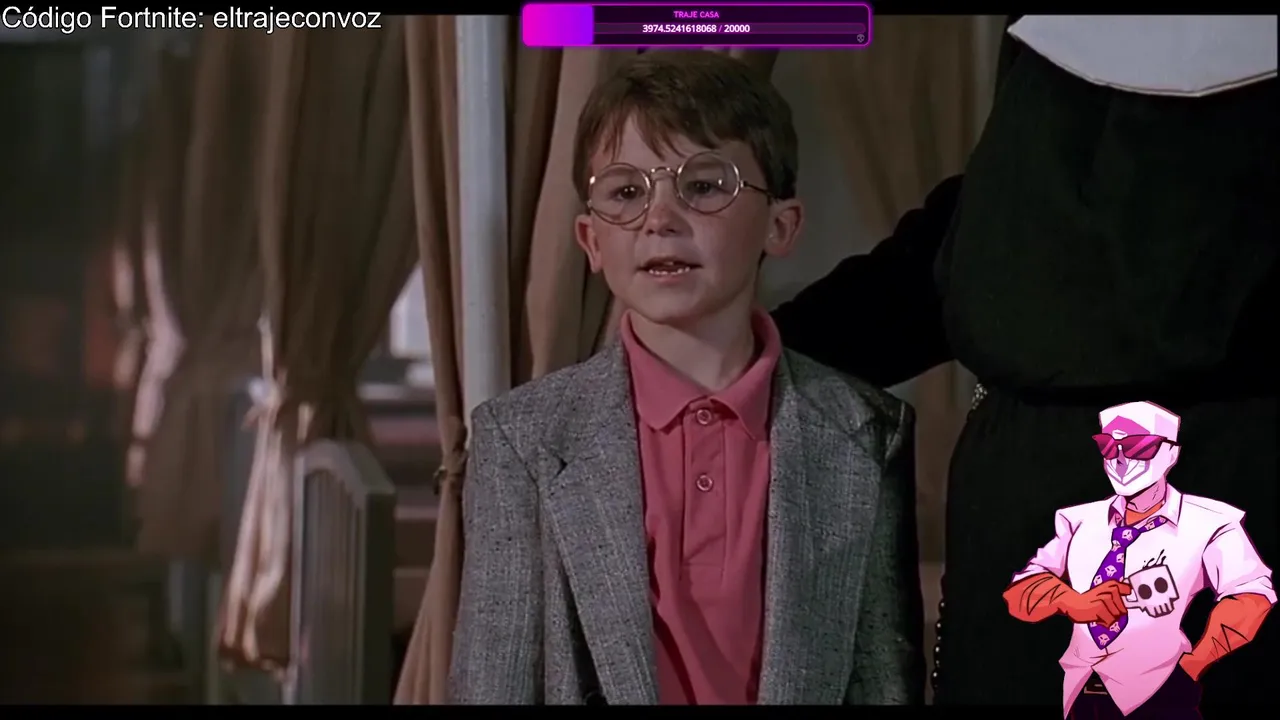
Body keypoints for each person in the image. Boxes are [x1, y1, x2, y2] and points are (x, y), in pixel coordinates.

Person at [771, 15, 1278, 711]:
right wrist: (761, 349)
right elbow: (990, 240)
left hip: (1233, 510)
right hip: (1021, 532)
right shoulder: (1048, 43)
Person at [449, 52, 924, 705]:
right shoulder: (523, 437)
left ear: (781, 225)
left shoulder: (866, 432)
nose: (660, 217)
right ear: (591, 241)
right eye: (626, 192)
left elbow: (882, 680)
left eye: (702, 186)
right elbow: (494, 681)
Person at [1003, 401, 1274, 719]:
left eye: (1137, 447)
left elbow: (1252, 595)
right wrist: (1070, 601)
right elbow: (1019, 593)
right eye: (1108, 447)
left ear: (1171, 453)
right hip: (1080, 693)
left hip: (1161, 695)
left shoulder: (1211, 522)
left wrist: (1194, 664)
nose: (1120, 460)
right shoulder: (1078, 520)